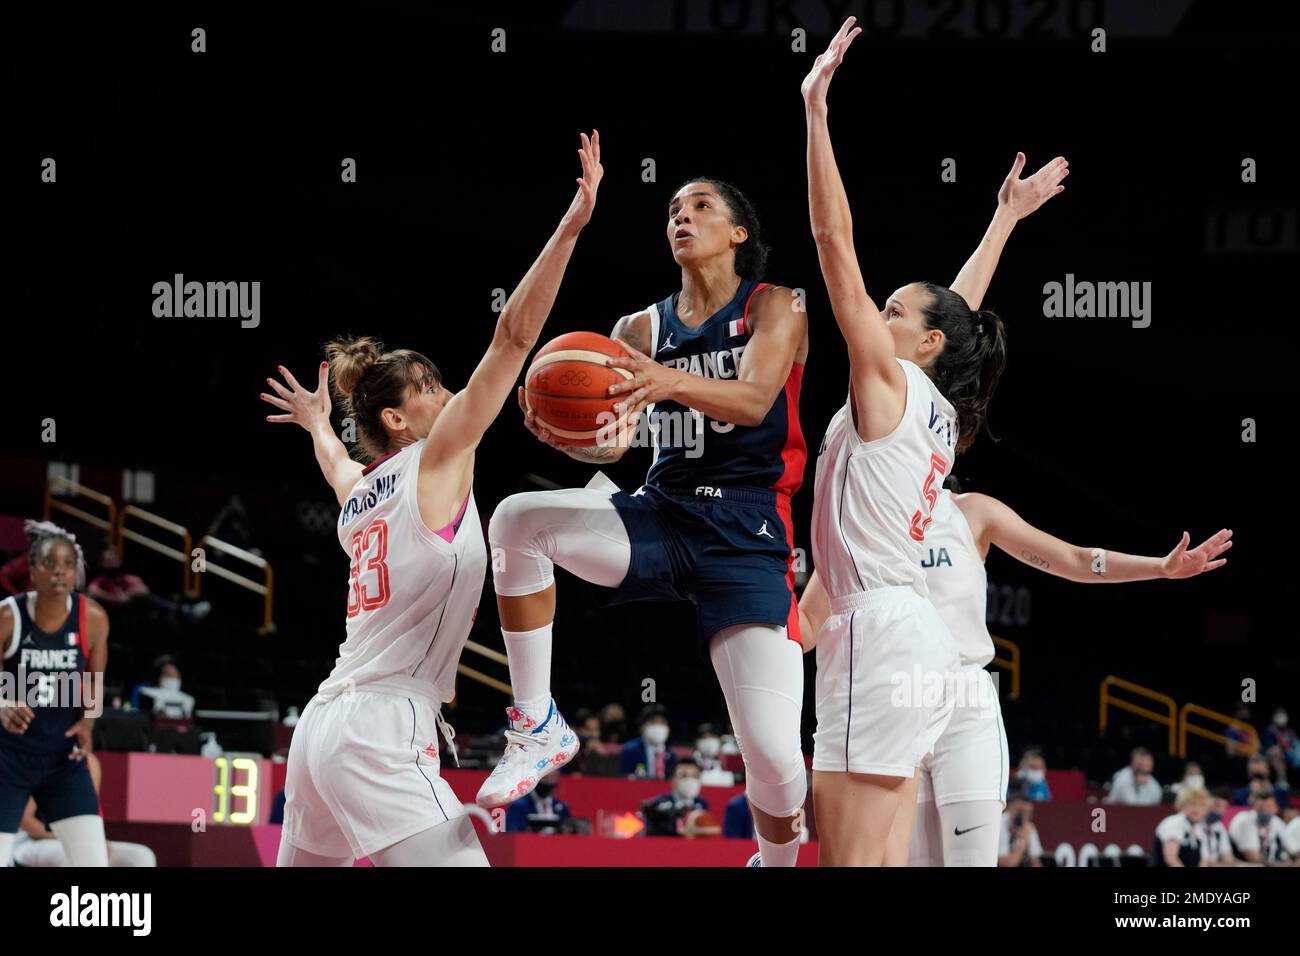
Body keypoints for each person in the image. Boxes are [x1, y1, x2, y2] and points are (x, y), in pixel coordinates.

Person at [266, 131, 603, 867]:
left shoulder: (361, 493)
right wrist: (571, 225)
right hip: (382, 728)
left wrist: (320, 425)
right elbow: (513, 338)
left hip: (321, 725)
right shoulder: (437, 456)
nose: (452, 397)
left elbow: (334, 464)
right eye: (433, 388)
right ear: (398, 419)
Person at [479, 149, 811, 868]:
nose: (682, 217)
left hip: (748, 533)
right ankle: (537, 724)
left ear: (738, 235)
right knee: (515, 519)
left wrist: (663, 381)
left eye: (700, 208)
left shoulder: (776, 305)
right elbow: (614, 444)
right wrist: (565, 432)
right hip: (661, 511)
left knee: (776, 758)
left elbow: (755, 399)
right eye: (672, 210)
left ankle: (777, 862)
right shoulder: (637, 329)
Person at [0, 520, 110, 867]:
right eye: (49, 564)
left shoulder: (92, 618)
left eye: (67, 564)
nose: (59, 573)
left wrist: (88, 726)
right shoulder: (8, 617)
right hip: (7, 758)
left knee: (94, 863)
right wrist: (2, 703)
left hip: (63, 759)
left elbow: (94, 684)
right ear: (32, 571)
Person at [9, 752, 155, 867]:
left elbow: (90, 816)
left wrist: (96, 842)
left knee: (142, 856)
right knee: (78, 853)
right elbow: (26, 822)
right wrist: (67, 838)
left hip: (71, 837)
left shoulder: (88, 762)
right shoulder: (42, 760)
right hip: (31, 841)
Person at [1155, 786, 1238, 867]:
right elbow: (1171, 859)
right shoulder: (1174, 823)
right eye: (1192, 804)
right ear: (1182, 805)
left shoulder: (1199, 827)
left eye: (1201, 805)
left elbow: (1204, 861)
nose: (1196, 809)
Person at [641, 758, 709, 837]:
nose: (690, 781)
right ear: (672, 780)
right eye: (683, 776)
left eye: (695, 776)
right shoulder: (658, 804)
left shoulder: (701, 804)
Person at [1227, 788, 1288, 864]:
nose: (1265, 810)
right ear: (1254, 806)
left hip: (1271, 863)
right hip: (1245, 863)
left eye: (1269, 807)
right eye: (1261, 807)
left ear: (1276, 808)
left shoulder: (1277, 822)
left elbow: (1289, 850)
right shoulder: (1244, 820)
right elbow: (1253, 857)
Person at [619, 704, 677, 780]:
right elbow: (624, 778)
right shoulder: (630, 751)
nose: (658, 727)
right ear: (642, 727)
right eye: (653, 722)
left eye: (662, 723)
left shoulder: (671, 754)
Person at [133, 654, 196, 719]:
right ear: (159, 678)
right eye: (168, 675)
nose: (173, 680)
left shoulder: (188, 699)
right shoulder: (143, 691)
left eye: (176, 676)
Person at [504, 776, 571, 835]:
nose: (548, 781)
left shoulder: (561, 807)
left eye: (553, 776)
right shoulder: (519, 806)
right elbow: (514, 834)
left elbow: (569, 832)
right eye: (545, 777)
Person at [997, 788, 1043, 867]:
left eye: (1028, 813)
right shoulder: (999, 824)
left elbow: (1035, 862)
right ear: (1009, 808)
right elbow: (1005, 864)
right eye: (1020, 811)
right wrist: (1023, 840)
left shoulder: (1028, 827)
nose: (1024, 817)